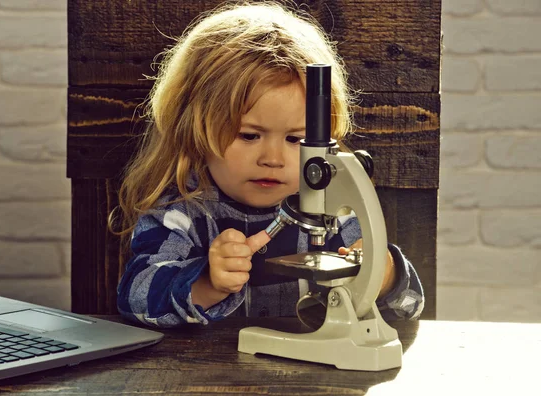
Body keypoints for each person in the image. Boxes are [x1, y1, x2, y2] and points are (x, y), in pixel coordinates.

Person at [114, 1, 424, 328]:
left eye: (295, 140)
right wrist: (207, 282)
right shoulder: (183, 210)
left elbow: (412, 304)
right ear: (194, 128)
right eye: (249, 136)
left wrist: (384, 275)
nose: (272, 159)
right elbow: (132, 297)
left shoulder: (335, 210)